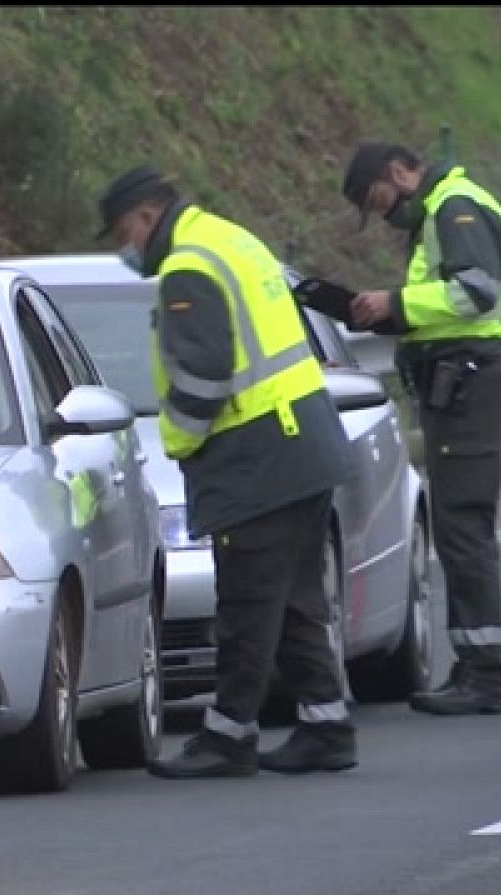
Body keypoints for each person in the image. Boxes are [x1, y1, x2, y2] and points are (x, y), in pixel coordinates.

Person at [97, 165, 357, 778]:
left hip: (256, 452)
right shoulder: (231, 238)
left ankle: (229, 735)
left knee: (246, 601)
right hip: (303, 438)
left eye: (121, 234)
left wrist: (179, 443)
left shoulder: (189, 265)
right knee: (294, 596)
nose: (123, 249)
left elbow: (204, 373)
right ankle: (326, 724)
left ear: (145, 216)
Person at [339, 141, 501, 716]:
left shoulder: (454, 207)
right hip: (458, 385)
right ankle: (475, 666)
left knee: (463, 528)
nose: (386, 214)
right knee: (460, 526)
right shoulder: (443, 210)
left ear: (399, 172)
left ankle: (486, 675)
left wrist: (395, 303)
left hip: (468, 385)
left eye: (381, 199)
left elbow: (475, 292)